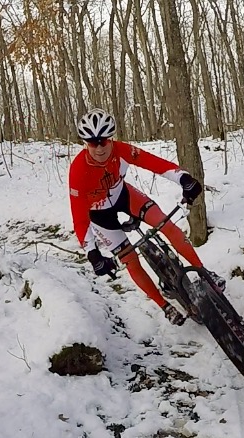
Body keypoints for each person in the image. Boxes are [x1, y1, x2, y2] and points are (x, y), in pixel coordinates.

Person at [68, 108, 223, 326]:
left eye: (104, 141)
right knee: (129, 260)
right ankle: (164, 306)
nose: (100, 147)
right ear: (86, 143)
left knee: (166, 225)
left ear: (111, 138)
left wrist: (183, 178)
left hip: (125, 196)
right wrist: (92, 253)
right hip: (100, 215)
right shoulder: (78, 170)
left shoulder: (120, 150)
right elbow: (79, 216)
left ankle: (205, 273)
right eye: (93, 143)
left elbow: (153, 163)